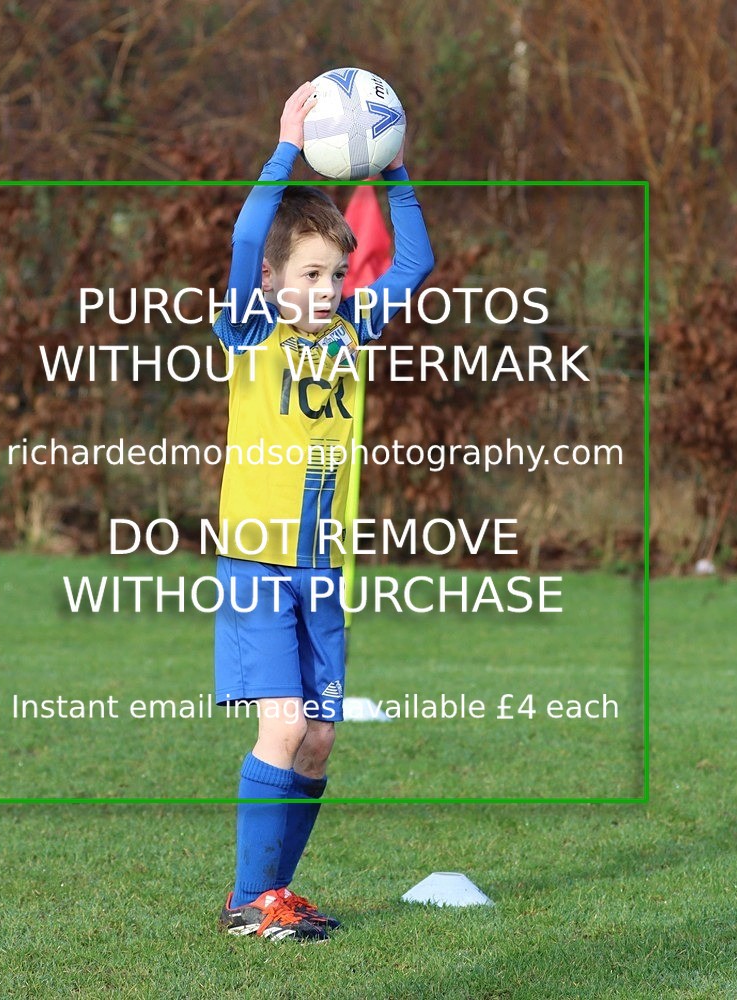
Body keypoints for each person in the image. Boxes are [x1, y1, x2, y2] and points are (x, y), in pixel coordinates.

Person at [213, 81, 434, 941]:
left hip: (322, 569)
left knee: (319, 741)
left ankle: (275, 895)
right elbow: (242, 234)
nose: (329, 286)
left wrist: (392, 165)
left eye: (337, 273)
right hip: (260, 565)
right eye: (310, 273)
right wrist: (281, 151)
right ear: (271, 281)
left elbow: (413, 266)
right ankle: (245, 904)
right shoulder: (251, 332)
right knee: (285, 725)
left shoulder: (346, 336)